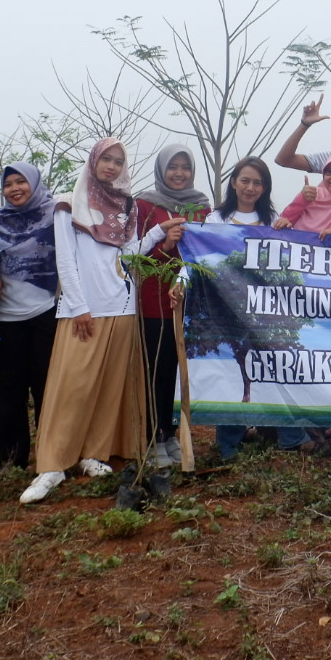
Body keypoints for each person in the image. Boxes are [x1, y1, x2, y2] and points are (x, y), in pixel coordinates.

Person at [20, 139, 185, 504]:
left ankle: (93, 454)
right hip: (85, 310)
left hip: (122, 306)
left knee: (111, 387)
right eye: (106, 159)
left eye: (118, 161)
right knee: (73, 387)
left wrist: (159, 233)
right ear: (94, 162)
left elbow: (128, 256)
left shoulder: (124, 207)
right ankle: (53, 463)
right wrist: (78, 306)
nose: (111, 166)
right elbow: (66, 260)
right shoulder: (69, 203)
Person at [200, 157, 310, 459]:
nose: (250, 188)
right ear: (234, 182)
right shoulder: (214, 221)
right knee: (232, 373)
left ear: (265, 188)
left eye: (257, 183)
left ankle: (289, 436)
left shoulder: (272, 221)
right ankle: (228, 442)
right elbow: (204, 263)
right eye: (245, 180)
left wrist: (285, 233)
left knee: (275, 367)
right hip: (228, 312)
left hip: (267, 312)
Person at [133, 144, 212, 480]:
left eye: (185, 167)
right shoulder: (145, 205)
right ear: (161, 170)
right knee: (158, 370)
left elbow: (208, 252)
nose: (179, 173)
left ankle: (174, 434)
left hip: (189, 301)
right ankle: (156, 437)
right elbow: (134, 257)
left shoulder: (202, 207)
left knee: (180, 370)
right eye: (173, 167)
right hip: (155, 298)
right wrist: (165, 246)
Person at [0, 162, 60, 472]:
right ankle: (10, 460)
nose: (15, 188)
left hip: (45, 313)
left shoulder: (55, 214)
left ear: (34, 183)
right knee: (8, 391)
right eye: (8, 184)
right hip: (5, 317)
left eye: (21, 182)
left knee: (47, 388)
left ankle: (51, 458)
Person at [274, 150, 331, 236]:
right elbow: (283, 220)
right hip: (299, 250)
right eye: (330, 172)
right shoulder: (311, 194)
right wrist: (302, 199)